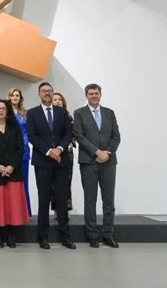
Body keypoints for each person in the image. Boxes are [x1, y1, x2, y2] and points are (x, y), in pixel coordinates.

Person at [26, 82, 76, 250]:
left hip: (61, 161)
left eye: (49, 91)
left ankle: (65, 237)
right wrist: (49, 151)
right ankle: (43, 237)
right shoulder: (32, 113)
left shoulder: (62, 112)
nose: (47, 93)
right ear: (39, 94)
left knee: (62, 199)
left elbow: (68, 133)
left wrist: (60, 149)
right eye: (44, 91)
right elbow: (32, 136)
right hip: (43, 162)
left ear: (53, 93)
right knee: (44, 199)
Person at [73, 83, 121, 249]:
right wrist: (96, 152)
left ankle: (108, 234)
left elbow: (116, 136)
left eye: (96, 93)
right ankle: (92, 235)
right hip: (89, 162)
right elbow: (79, 136)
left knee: (109, 201)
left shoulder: (109, 113)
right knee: (90, 200)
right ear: (86, 95)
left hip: (108, 162)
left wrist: (106, 152)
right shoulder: (79, 113)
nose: (94, 96)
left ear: (101, 95)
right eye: (91, 93)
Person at [0, 99, 29, 248]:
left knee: (11, 206)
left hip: (12, 172)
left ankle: (11, 235)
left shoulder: (15, 128)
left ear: (7, 111)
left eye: (3, 108)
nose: (1, 111)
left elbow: (20, 149)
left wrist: (11, 167)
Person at [7, 88, 32, 217]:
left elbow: (28, 131)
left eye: (17, 95)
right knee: (9, 183)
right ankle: (11, 212)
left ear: (20, 98)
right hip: (8, 151)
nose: (15, 97)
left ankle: (24, 211)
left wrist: (24, 143)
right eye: (13, 95)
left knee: (23, 181)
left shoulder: (25, 113)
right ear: (9, 97)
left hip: (23, 150)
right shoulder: (4, 113)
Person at [51, 92, 75, 212]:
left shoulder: (69, 116)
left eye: (60, 99)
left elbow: (72, 134)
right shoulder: (48, 117)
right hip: (51, 154)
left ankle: (65, 209)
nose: (57, 101)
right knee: (52, 184)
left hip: (67, 153)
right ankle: (56, 209)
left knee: (66, 182)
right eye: (55, 99)